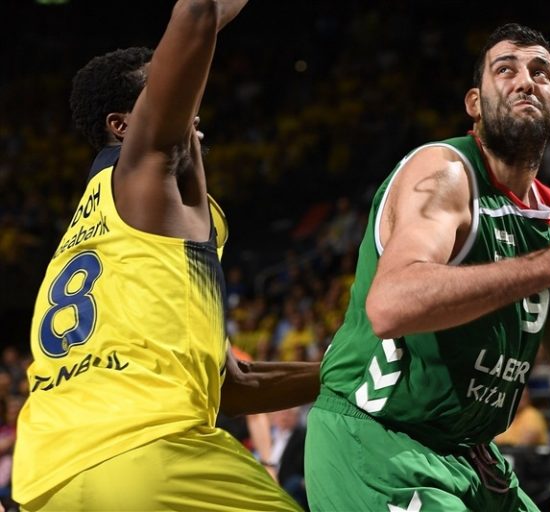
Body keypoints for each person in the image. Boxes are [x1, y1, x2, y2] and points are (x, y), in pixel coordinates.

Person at [304, 22, 550, 511]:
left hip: (471, 458)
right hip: (378, 441)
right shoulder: (445, 172)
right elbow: (390, 306)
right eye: (506, 69)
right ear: (474, 103)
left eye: (541, 72)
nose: (525, 80)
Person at [11, 1, 319, 510]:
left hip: (49, 484)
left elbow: (232, 387)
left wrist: (343, 373)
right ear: (122, 126)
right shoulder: (144, 179)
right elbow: (196, 13)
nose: (188, 99)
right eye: (160, 89)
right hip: (148, 454)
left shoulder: (118, 236)